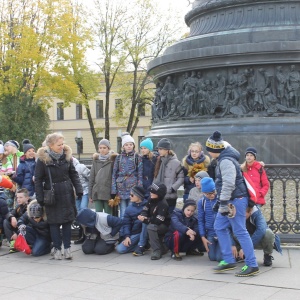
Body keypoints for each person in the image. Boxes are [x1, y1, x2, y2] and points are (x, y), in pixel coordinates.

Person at [206, 131, 259, 277]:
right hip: (230, 200)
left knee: (240, 231)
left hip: (235, 200)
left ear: (214, 150)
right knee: (219, 226)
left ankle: (252, 264)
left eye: (209, 149)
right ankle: (229, 260)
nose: (208, 152)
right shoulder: (224, 159)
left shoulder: (226, 161)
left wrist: (223, 202)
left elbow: (229, 183)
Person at [35, 132, 82, 260]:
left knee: (67, 222)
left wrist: (79, 189)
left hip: (66, 192)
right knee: (54, 223)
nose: (62, 146)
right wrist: (40, 197)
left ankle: (67, 249)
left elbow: (73, 174)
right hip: (52, 194)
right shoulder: (42, 159)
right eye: (59, 144)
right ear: (50, 145)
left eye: (62, 144)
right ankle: (57, 248)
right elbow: (38, 180)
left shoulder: (67, 157)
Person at [111, 133, 143, 218]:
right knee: (122, 210)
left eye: (131, 144)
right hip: (121, 188)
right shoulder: (119, 158)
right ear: (123, 146)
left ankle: (130, 229)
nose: (129, 146)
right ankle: (122, 229)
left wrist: (139, 188)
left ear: (133, 145)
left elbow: (140, 173)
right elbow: (114, 174)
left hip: (133, 188)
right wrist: (114, 190)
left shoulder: (137, 157)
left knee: (131, 209)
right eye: (126, 145)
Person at [138, 182, 170, 260]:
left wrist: (146, 220)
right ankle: (160, 247)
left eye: (153, 192)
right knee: (147, 225)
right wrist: (143, 215)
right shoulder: (150, 199)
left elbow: (158, 221)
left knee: (151, 227)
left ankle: (157, 250)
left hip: (164, 225)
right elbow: (145, 209)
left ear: (159, 194)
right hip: (153, 221)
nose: (151, 193)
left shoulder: (163, 204)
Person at [153, 138, 184, 214]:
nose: (158, 151)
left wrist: (172, 188)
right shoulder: (159, 161)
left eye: (160, 149)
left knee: (170, 218)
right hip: (160, 197)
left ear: (166, 150)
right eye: (158, 149)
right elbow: (156, 177)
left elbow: (181, 178)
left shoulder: (176, 162)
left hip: (171, 197)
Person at [89, 139, 117, 215]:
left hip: (108, 192)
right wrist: (90, 194)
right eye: (100, 148)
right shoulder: (95, 161)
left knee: (108, 215)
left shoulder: (112, 161)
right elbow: (91, 178)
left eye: (104, 148)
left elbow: (114, 177)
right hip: (97, 192)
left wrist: (114, 193)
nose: (102, 150)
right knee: (98, 215)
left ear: (108, 148)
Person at [115, 186, 147, 254]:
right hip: (136, 233)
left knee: (145, 222)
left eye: (132, 195)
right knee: (119, 249)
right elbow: (126, 224)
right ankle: (140, 245)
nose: (130, 196)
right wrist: (127, 236)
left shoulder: (147, 205)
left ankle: (141, 245)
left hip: (146, 231)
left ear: (138, 196)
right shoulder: (129, 209)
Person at [198, 177, 222, 262]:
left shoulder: (220, 199)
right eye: (208, 194)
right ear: (204, 193)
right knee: (212, 258)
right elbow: (200, 220)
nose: (212, 195)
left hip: (221, 232)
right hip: (210, 233)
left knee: (219, 258)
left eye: (213, 192)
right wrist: (203, 236)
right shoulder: (201, 202)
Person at [3, 188, 29, 252]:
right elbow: (9, 214)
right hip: (20, 226)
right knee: (6, 221)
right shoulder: (19, 206)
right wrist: (12, 217)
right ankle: (13, 243)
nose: (18, 199)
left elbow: (27, 222)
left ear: (27, 198)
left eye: (20, 197)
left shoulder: (30, 206)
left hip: (28, 228)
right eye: (17, 197)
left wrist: (17, 233)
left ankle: (24, 243)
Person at [72, 157, 90, 245]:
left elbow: (90, 177)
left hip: (85, 191)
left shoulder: (80, 167)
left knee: (83, 209)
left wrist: (90, 190)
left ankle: (87, 233)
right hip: (75, 193)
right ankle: (82, 234)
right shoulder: (65, 168)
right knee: (78, 212)